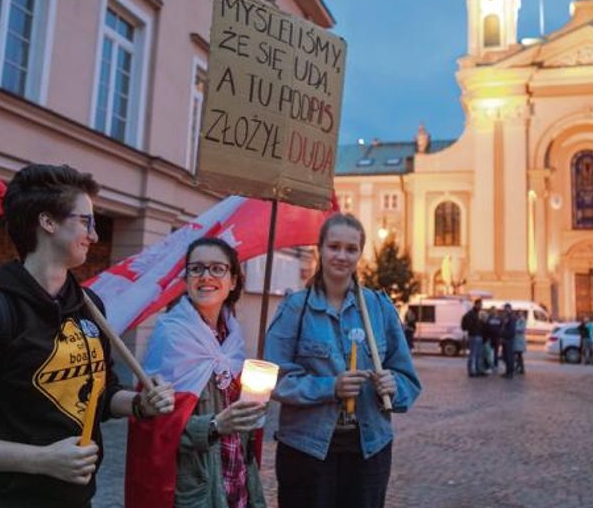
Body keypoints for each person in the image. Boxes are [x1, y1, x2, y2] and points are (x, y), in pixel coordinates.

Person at [0, 164, 175, 508]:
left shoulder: (88, 305)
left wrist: (139, 403)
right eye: (85, 221)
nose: (93, 236)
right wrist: (40, 459)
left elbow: (101, 392)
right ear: (47, 222)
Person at [265, 213, 421, 508]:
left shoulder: (379, 307)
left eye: (351, 249)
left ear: (360, 253)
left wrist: (393, 385)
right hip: (306, 449)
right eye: (333, 246)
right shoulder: (295, 308)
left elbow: (407, 380)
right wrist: (330, 387)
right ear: (319, 250)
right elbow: (275, 379)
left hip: (369, 449)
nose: (341, 255)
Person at [126, 237, 267, 508]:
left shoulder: (233, 338)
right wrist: (215, 426)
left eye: (217, 268)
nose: (206, 276)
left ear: (233, 281)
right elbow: (157, 426)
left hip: (237, 479)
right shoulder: (170, 335)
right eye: (197, 268)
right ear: (186, 278)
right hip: (198, 487)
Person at [461, 300, 485, 377]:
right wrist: (474, 327)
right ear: (476, 305)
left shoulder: (478, 314)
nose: (481, 306)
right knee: (473, 354)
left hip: (479, 335)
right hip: (474, 335)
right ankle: (471, 371)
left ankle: (478, 369)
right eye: (480, 305)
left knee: (478, 354)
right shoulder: (470, 314)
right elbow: (465, 326)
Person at [499, 304, 516, 379]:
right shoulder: (505, 317)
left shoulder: (512, 318)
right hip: (505, 339)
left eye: (507, 309)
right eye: (505, 309)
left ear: (510, 309)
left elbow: (511, 331)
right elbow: (502, 327)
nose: (505, 311)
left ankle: (510, 372)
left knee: (509, 356)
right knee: (505, 356)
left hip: (509, 339)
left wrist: (505, 335)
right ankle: (507, 371)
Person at [513, 309, 527, 376]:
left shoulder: (522, 320)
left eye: (520, 313)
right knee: (517, 355)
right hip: (516, 340)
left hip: (520, 340)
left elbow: (521, 329)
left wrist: (514, 329)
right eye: (518, 313)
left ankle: (521, 368)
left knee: (519, 355)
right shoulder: (517, 320)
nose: (519, 315)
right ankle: (518, 367)